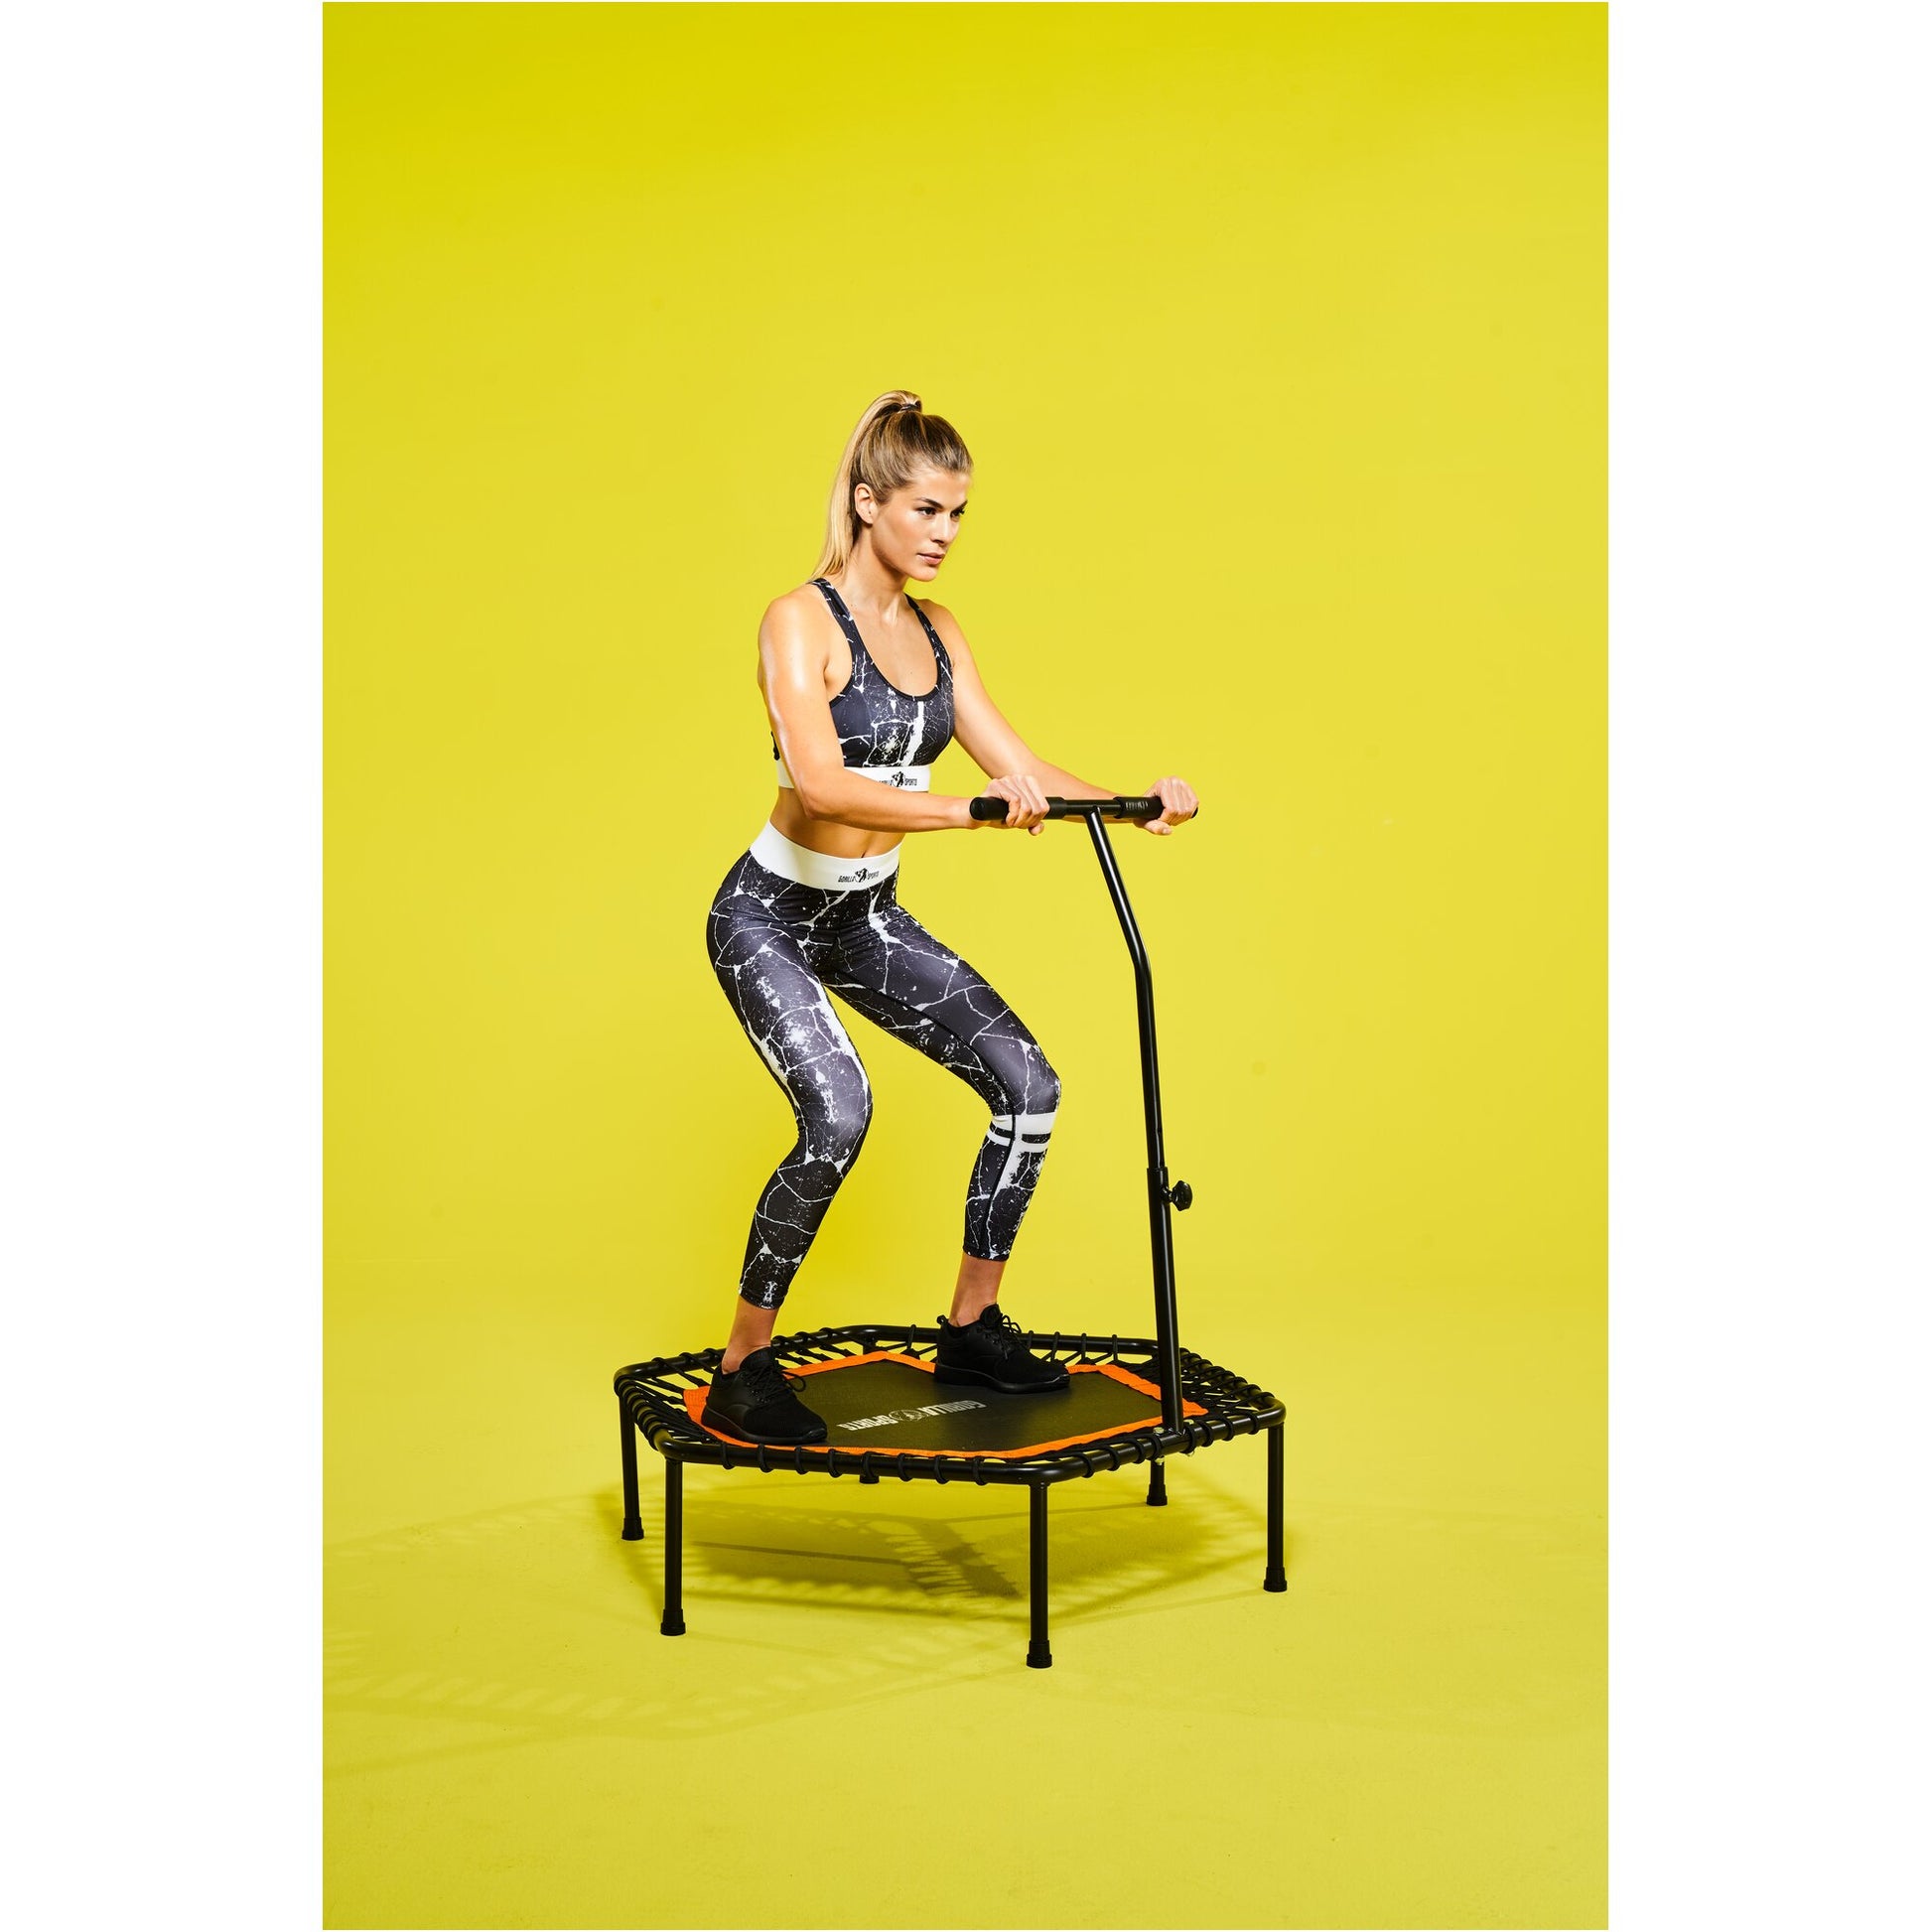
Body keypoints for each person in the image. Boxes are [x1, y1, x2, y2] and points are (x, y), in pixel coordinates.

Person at [702, 390, 1198, 1446]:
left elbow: (1019, 767)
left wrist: (1131, 803)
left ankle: (971, 1327)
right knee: (838, 1116)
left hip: (864, 918)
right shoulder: (799, 621)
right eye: (925, 509)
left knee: (1029, 1087)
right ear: (866, 501)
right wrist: (969, 811)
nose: (944, 533)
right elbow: (823, 784)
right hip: (770, 916)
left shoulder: (939, 630)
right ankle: (742, 1365)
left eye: (958, 513)